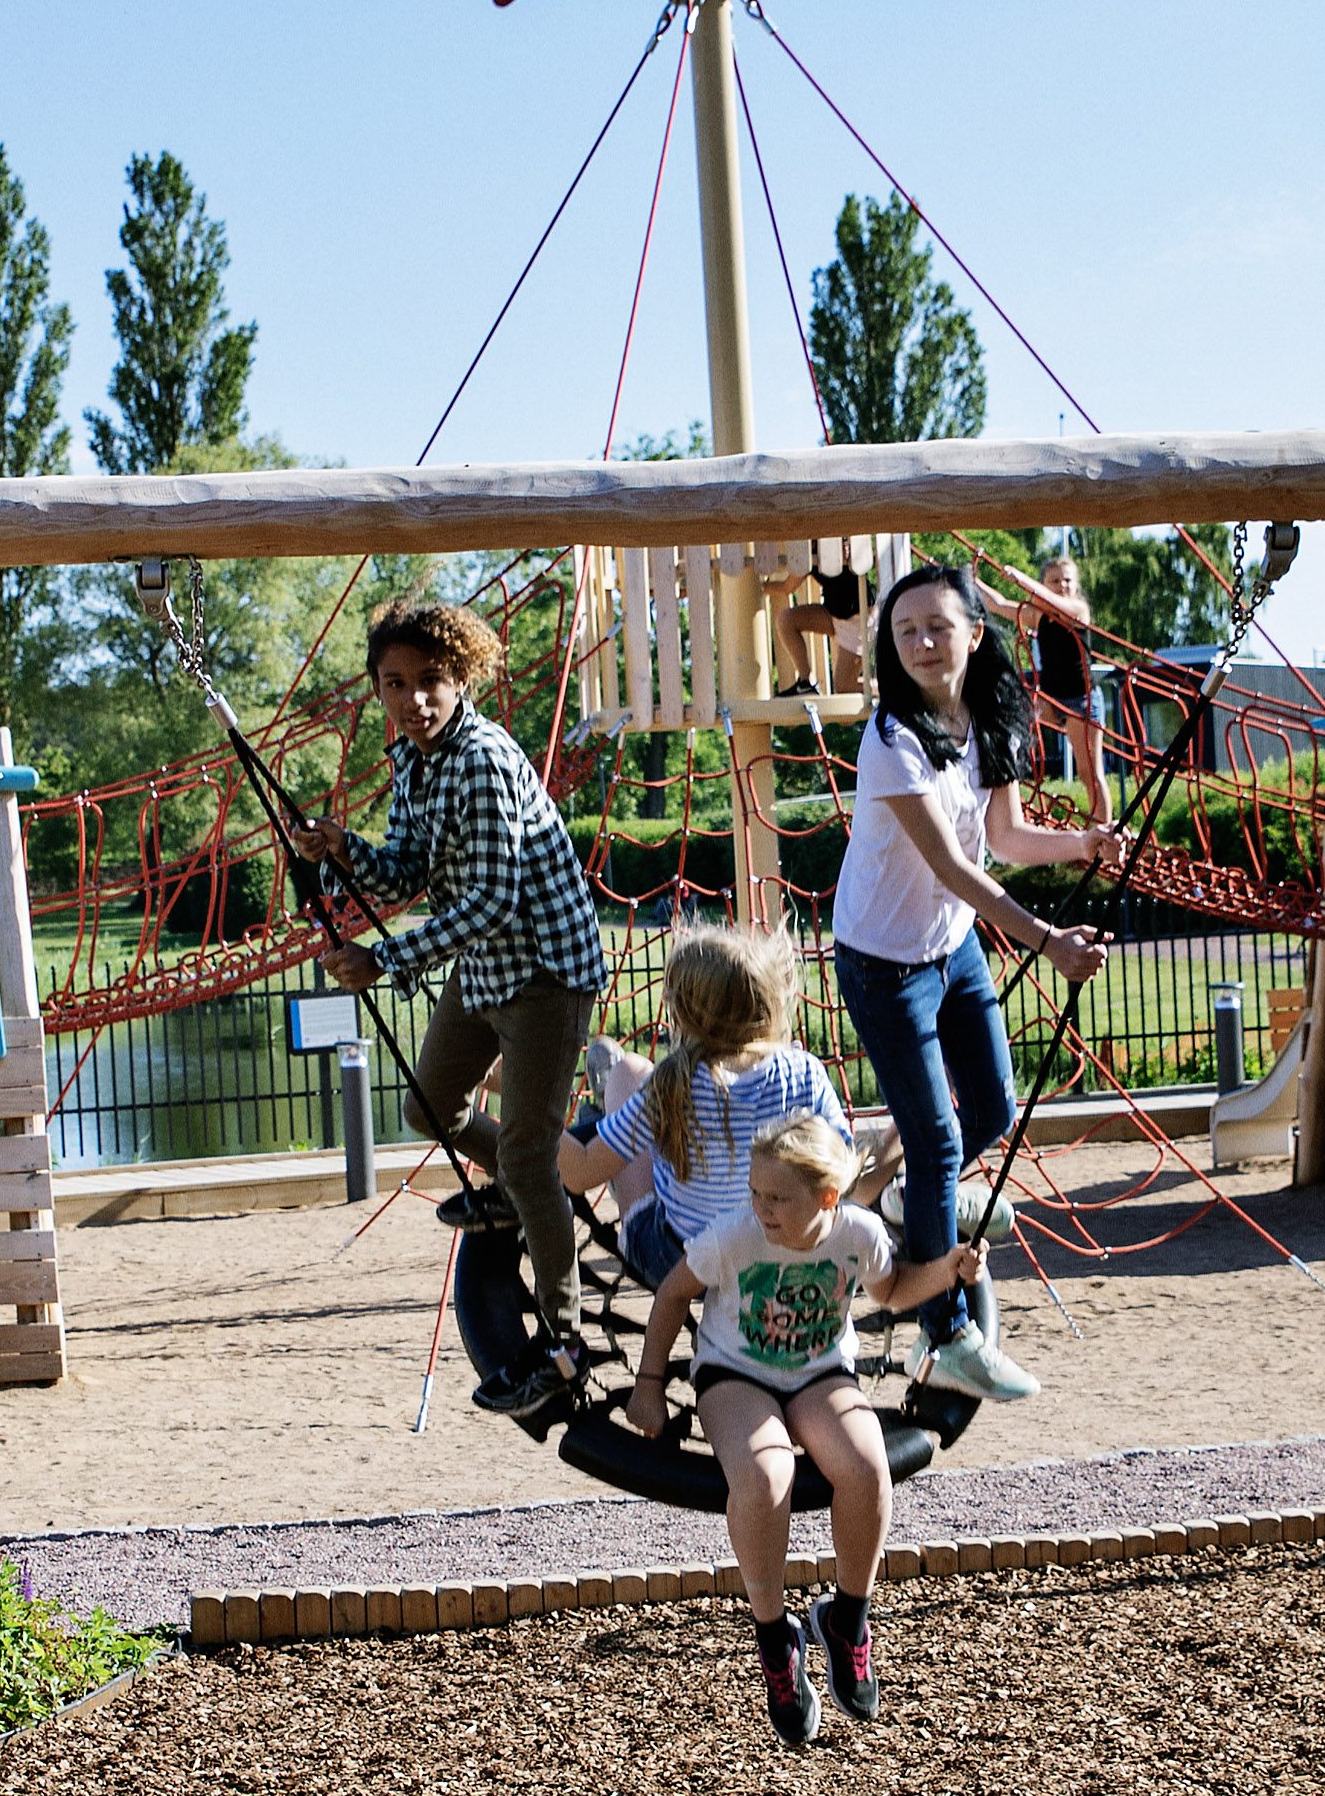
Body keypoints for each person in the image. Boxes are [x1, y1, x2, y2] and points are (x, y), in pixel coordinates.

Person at [310, 596, 612, 1414]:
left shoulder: (479, 757)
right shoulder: (411, 758)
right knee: (426, 1108)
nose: (414, 699)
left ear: (462, 675)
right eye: (395, 683)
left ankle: (563, 1342)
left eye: (431, 679)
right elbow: (407, 868)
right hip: (485, 970)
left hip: (546, 971)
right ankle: (527, 1188)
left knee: (520, 1155)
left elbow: (489, 897)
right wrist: (344, 851)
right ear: (377, 690)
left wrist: (385, 957)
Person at [836, 561, 1127, 1404]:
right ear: (892, 649)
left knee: (991, 1109)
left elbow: (1002, 835)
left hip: (951, 947)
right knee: (933, 1141)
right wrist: (1047, 938)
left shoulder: (990, 716)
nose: (923, 642)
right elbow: (955, 866)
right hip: (884, 959)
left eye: (937, 626)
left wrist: (1082, 844)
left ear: (974, 631)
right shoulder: (891, 737)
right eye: (905, 631)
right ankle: (946, 1329)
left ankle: (903, 1203)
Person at [630, 1118, 982, 1747]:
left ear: (826, 1199)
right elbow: (673, 1292)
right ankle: (775, 1641)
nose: (761, 1208)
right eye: (756, 1192)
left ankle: (848, 1620)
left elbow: (894, 1288)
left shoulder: (858, 1234)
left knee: (867, 1467)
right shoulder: (737, 1234)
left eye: (777, 1198)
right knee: (767, 1475)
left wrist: (951, 1270)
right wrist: (650, 1384)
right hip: (734, 1373)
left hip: (820, 1372)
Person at [560, 926, 885, 1286]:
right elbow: (845, 1170)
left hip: (679, 1266)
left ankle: (614, 1110)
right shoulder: (805, 1072)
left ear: (685, 1016)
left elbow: (579, 1173)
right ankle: (631, 1131)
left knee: (628, 1072)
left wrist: (528, 1115)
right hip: (779, 1254)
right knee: (657, 1118)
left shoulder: (673, 1085)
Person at [1019, 548, 1109, 814]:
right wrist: (974, 584)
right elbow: (1001, 606)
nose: (1062, 585)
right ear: (1045, 584)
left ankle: (1104, 832)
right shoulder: (1038, 615)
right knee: (1012, 712)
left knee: (1088, 771)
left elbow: (1058, 605)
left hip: (1082, 701)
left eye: (1067, 580)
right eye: (1055, 580)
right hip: (1050, 699)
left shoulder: (1078, 610)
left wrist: (1023, 581)